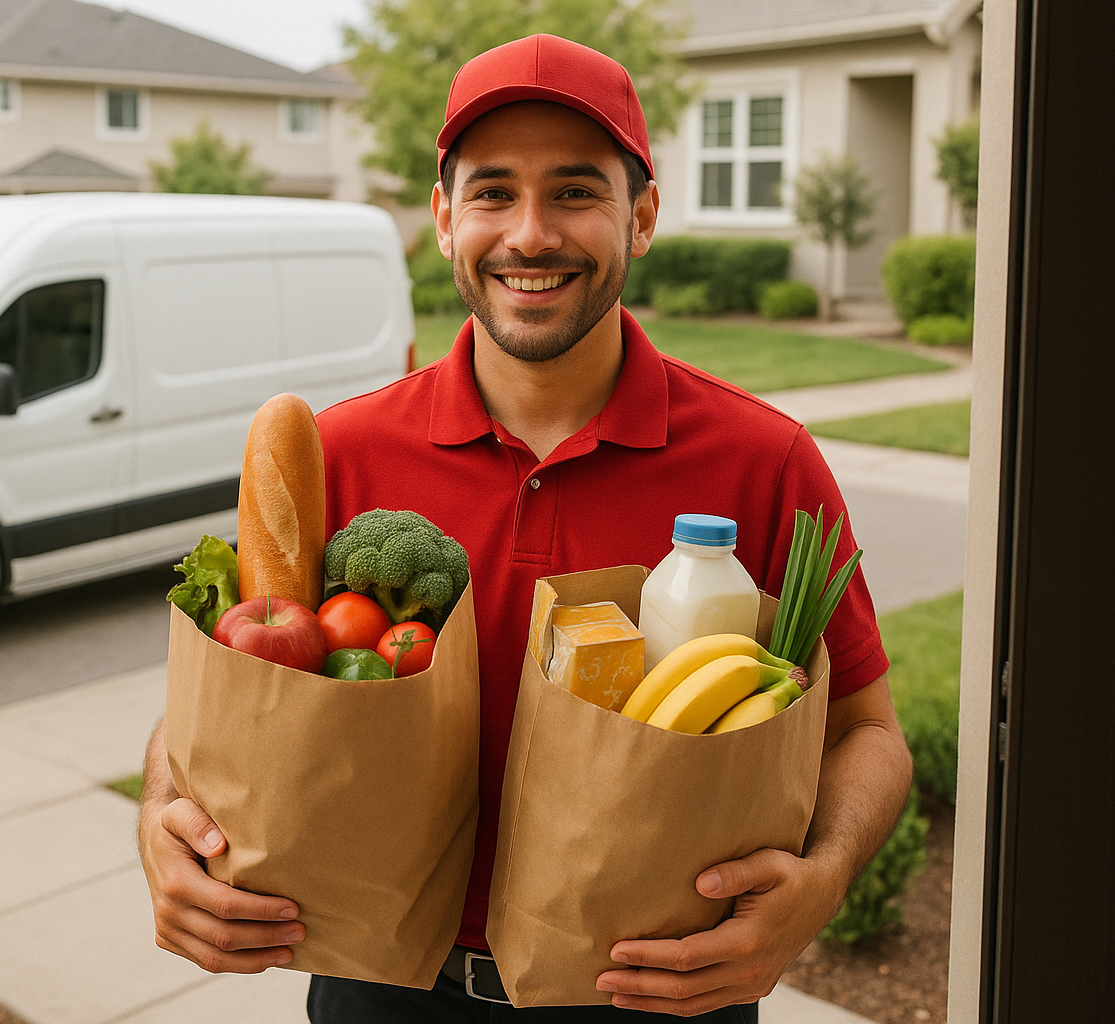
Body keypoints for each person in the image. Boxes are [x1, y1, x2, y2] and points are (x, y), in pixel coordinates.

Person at [138, 33, 913, 1021]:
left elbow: (869, 729)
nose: (530, 233)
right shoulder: (338, 454)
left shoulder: (764, 462)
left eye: (577, 192)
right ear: (444, 217)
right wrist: (163, 823)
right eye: (494, 191)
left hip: (661, 995)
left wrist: (825, 878)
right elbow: (212, 703)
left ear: (641, 219)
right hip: (385, 992)